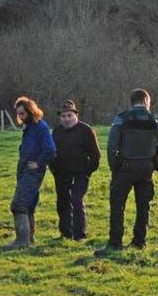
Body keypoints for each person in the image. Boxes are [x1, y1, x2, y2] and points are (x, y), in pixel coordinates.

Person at [96, 88, 158, 256]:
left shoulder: (122, 119)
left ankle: (115, 243)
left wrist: (114, 166)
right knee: (143, 206)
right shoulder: (156, 121)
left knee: (117, 206)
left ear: (131, 102)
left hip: (125, 168)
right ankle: (139, 242)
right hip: (146, 169)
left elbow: (111, 146)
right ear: (146, 101)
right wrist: (154, 163)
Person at [4, 96, 56, 249]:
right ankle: (30, 239)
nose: (20, 117)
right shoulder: (29, 128)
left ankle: (22, 241)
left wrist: (39, 163)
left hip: (32, 173)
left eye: (22, 113)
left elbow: (51, 150)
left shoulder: (40, 127)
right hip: (25, 171)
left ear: (30, 111)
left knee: (18, 205)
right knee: (28, 205)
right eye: (18, 114)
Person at [50, 100, 101, 241]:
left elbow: (95, 155)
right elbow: (51, 153)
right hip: (61, 174)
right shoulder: (56, 131)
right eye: (63, 116)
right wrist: (54, 169)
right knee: (62, 202)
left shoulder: (86, 130)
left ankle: (80, 234)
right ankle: (65, 233)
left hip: (80, 173)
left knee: (76, 200)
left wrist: (87, 172)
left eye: (69, 116)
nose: (66, 119)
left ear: (76, 115)